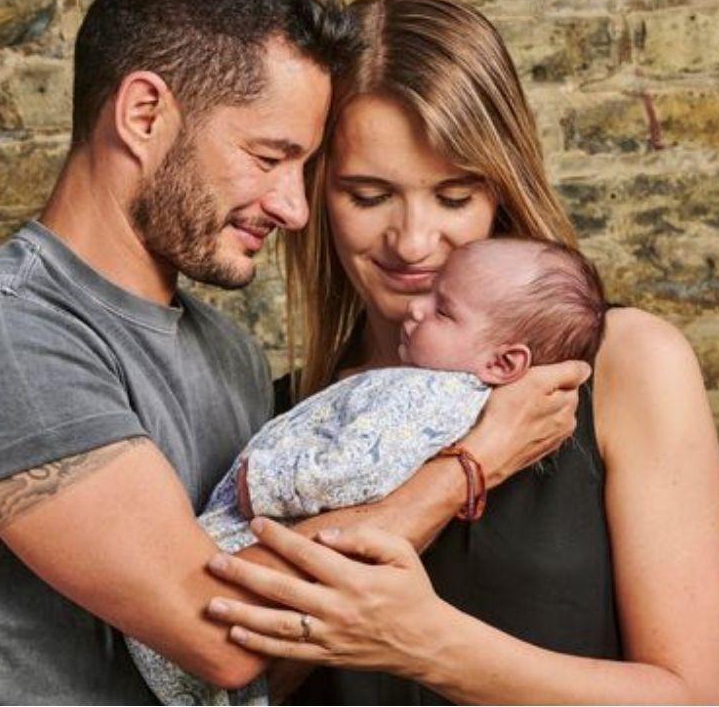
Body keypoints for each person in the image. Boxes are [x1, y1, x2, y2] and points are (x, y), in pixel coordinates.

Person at [0, 0, 588, 704]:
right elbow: (223, 639)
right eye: (269, 157)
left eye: (303, 168)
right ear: (144, 115)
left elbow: (271, 668)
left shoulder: (233, 358)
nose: (295, 208)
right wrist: (470, 464)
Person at [202, 0, 719, 704]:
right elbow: (220, 674)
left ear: (500, 189)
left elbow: (692, 698)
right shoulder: (282, 420)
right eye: (368, 196)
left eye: (454, 197)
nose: (413, 242)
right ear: (314, 193)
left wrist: (429, 646)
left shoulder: (628, 365)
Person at [128, 237, 607, 704]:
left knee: (182, 621)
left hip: (253, 539)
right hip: (251, 599)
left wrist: (267, 483)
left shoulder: (433, 395)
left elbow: (360, 468)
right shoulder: (422, 385)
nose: (415, 308)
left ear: (503, 362)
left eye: (443, 311)